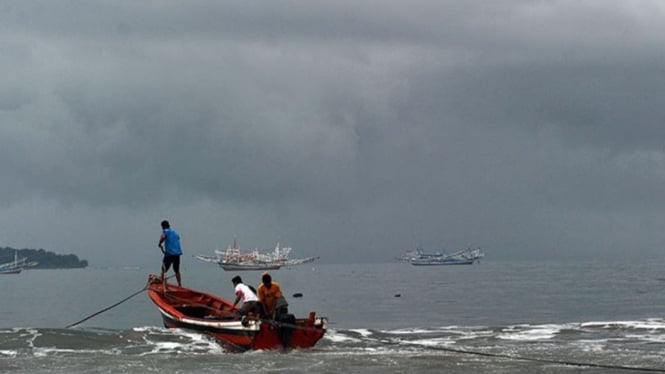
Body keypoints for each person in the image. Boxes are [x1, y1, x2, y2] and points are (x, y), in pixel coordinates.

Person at [157, 220, 183, 290]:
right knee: (177, 270)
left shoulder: (165, 231)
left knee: (164, 270)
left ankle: (163, 285)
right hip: (177, 253)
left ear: (162, 227)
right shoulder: (174, 232)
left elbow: (163, 237)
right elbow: (178, 237)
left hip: (169, 254)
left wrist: (159, 243)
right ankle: (180, 285)